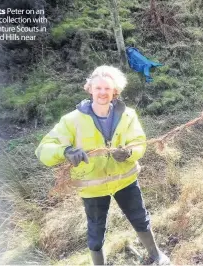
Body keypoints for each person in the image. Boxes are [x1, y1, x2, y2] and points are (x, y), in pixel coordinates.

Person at [35, 66, 170, 265]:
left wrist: (130, 153)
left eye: (107, 88)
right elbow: (43, 149)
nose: (102, 93)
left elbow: (139, 142)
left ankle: (156, 255)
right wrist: (65, 152)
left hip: (125, 180)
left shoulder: (128, 115)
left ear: (115, 90)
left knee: (140, 218)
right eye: (98, 88)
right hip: (93, 187)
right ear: (89, 89)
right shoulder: (72, 120)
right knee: (96, 231)